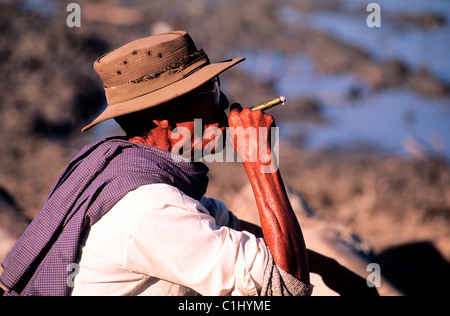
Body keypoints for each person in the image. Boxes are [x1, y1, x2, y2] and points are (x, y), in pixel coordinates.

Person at [0, 31, 377, 296]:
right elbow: (285, 287)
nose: (225, 102)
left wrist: (330, 267)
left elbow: (221, 222)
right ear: (164, 114)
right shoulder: (150, 208)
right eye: (210, 92)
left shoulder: (117, 164)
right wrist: (261, 160)